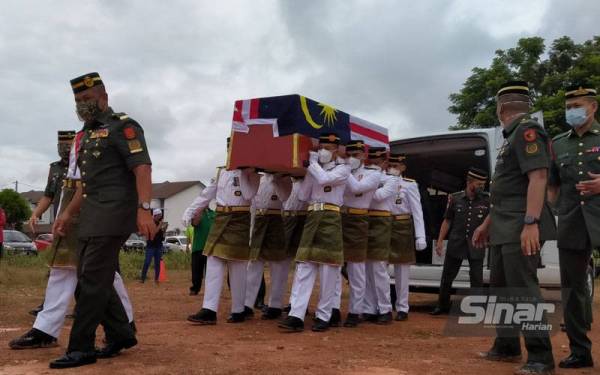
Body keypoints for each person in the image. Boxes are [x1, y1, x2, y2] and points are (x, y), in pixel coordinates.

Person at [50, 72, 155, 369]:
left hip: (115, 213)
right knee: (95, 277)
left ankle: (81, 347)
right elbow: (86, 184)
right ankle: (120, 333)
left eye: (87, 99)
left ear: (103, 97)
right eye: (78, 101)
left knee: (91, 282)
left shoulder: (124, 126)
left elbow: (142, 169)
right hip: (92, 215)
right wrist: (68, 214)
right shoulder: (85, 134)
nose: (83, 105)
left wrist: (144, 209)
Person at [9, 129, 136, 351]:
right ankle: (46, 329)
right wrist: (39, 213)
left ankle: (125, 323)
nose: (66, 147)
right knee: (62, 269)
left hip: (91, 213)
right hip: (67, 214)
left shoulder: (92, 150)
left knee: (104, 273)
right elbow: (50, 195)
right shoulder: (58, 168)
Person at [472, 81, 555, 375]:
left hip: (521, 223)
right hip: (504, 224)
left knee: (523, 290)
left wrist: (531, 223)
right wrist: (486, 225)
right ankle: (506, 346)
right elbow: (506, 191)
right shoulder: (512, 136)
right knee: (502, 290)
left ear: (501, 107)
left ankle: (541, 358)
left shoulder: (528, 131)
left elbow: (539, 177)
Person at [547, 84, 598, 369]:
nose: (572, 112)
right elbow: (553, 184)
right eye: (568, 107)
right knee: (573, 288)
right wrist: (554, 210)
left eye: (577, 106)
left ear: (593, 107)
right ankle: (580, 351)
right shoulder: (558, 143)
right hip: (571, 222)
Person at [183, 138, 259, 325]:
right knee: (213, 262)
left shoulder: (253, 173)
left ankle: (239, 310)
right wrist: (190, 211)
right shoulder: (221, 171)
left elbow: (249, 194)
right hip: (221, 219)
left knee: (238, 267)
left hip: (239, 220)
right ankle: (209, 310)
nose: (231, 153)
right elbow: (205, 195)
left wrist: (244, 171)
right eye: (230, 149)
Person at [279, 133, 350, 332]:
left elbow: (326, 178)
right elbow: (302, 195)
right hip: (311, 216)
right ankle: (296, 315)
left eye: (327, 148)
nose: (323, 151)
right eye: (320, 147)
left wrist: (312, 164)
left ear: (336, 150)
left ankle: (324, 315)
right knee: (304, 267)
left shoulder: (343, 169)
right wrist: (302, 174)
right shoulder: (314, 168)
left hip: (330, 217)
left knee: (328, 270)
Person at [431, 167, 489, 316]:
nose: (481, 188)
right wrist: (439, 241)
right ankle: (442, 305)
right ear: (470, 182)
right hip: (456, 242)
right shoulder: (455, 198)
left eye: (483, 185)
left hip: (476, 244)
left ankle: (477, 308)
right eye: (479, 184)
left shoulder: (486, 199)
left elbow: (491, 222)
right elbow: (447, 221)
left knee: (476, 278)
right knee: (447, 276)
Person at [27, 131, 73, 316]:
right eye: (61, 145)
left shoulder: (81, 166)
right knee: (58, 265)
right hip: (60, 224)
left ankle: (84, 306)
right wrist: (35, 214)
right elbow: (48, 194)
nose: (64, 148)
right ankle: (48, 304)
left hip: (81, 221)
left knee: (82, 267)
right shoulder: (54, 168)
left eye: (68, 144)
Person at [337, 139, 381, 328]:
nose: (351, 159)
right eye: (348, 155)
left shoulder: (373, 174)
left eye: (355, 155)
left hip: (358, 220)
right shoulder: (341, 171)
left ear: (363, 156)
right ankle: (332, 309)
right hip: (340, 218)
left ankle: (356, 310)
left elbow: (356, 188)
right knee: (334, 267)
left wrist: (343, 168)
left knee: (356, 268)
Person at [245, 173, 291, 320]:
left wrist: (277, 178)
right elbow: (252, 207)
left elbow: (284, 197)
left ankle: (275, 305)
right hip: (259, 221)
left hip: (277, 220)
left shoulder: (284, 178)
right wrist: (251, 233)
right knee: (253, 265)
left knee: (278, 266)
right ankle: (247, 305)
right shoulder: (257, 178)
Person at [387, 154, 426, 321]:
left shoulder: (410, 185)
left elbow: (417, 212)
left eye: (396, 165)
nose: (393, 168)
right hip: (385, 225)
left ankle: (402, 307)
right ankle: (384, 306)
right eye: (391, 165)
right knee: (381, 269)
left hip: (403, 225)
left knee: (402, 270)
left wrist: (420, 236)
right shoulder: (382, 181)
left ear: (403, 167)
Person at [363, 147, 396, 325]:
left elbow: (379, 196)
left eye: (378, 162)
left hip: (382, 222)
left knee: (379, 268)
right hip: (366, 220)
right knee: (366, 267)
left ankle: (385, 308)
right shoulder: (368, 177)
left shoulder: (391, 179)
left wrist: (365, 187)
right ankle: (369, 308)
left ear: (384, 163)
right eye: (372, 162)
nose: (374, 165)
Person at [281, 175, 308, 313]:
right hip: (286, 217)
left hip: (303, 217)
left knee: (301, 262)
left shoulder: (307, 178)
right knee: (282, 260)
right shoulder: (285, 178)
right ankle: (277, 302)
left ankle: (296, 302)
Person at [189, 205, 216, 296]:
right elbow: (195, 223)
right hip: (198, 247)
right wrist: (200, 211)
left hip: (211, 248)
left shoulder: (214, 213)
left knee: (210, 271)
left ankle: (210, 290)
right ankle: (195, 288)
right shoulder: (196, 212)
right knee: (196, 270)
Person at [140, 209, 166, 284]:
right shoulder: (150, 224)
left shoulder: (160, 224)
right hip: (150, 246)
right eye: (159, 215)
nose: (160, 217)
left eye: (160, 215)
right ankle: (142, 278)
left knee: (157, 263)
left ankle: (156, 279)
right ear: (154, 215)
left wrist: (164, 230)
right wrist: (160, 226)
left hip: (158, 246)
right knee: (147, 262)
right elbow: (153, 233)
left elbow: (162, 237)